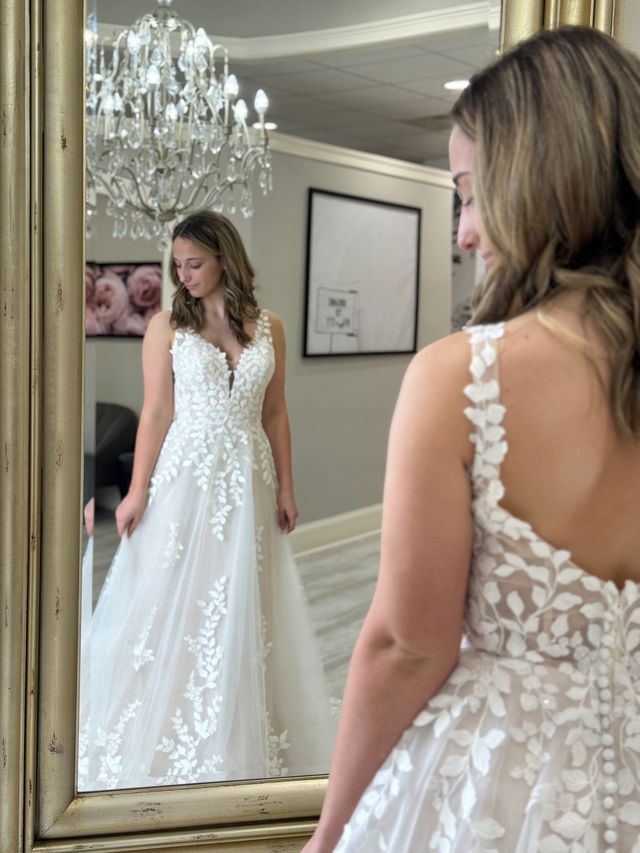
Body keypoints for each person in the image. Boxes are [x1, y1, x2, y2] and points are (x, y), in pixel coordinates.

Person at [304, 26, 640, 852]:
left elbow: (406, 646)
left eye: (469, 193)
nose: (462, 230)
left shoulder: (462, 376)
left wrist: (329, 832)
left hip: (511, 785)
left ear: (538, 180)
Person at [79, 210, 335, 790]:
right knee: (176, 599)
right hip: (186, 479)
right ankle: (165, 719)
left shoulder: (270, 325)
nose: (184, 275)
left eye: (194, 264)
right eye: (178, 266)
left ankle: (242, 724)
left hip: (251, 478)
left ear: (226, 259)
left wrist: (288, 488)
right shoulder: (167, 326)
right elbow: (157, 413)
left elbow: (275, 413)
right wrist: (138, 490)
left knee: (244, 599)